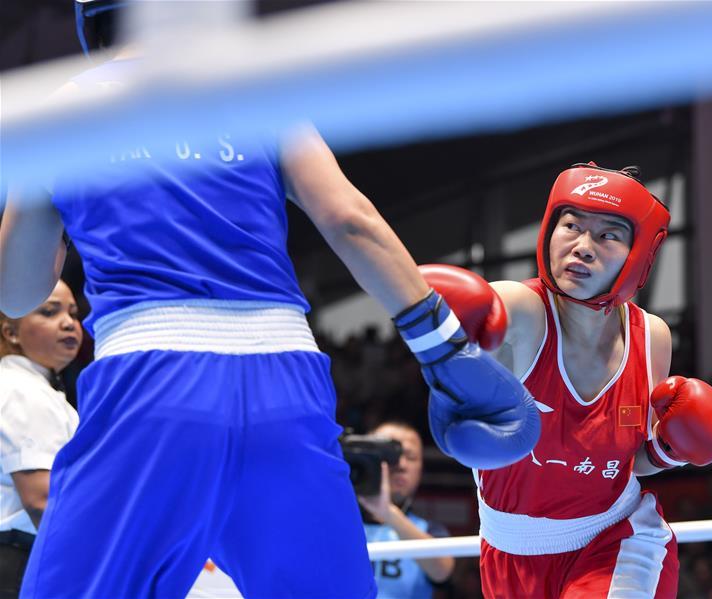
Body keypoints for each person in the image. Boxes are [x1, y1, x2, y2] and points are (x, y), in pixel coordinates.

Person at [0, 17, 539, 597]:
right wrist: (443, 347)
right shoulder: (258, 93)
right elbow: (349, 219)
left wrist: (57, 224)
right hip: (287, 379)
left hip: (150, 381)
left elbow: (16, 293)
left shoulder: (61, 108)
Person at [421, 163, 712, 598]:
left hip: (616, 542)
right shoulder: (521, 308)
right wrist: (434, 323)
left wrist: (670, 453)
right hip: (505, 553)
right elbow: (459, 307)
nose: (583, 247)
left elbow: (627, 461)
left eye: (609, 235)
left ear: (640, 253)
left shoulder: (651, 337)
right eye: (571, 225)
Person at [0, 280, 82, 598]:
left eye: (73, 313)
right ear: (11, 332)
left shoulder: (30, 387)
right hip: (18, 565)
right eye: (49, 312)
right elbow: (42, 500)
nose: (67, 323)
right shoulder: (22, 389)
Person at [359, 421, 455, 598]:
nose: (401, 464)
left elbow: (443, 571)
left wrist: (388, 513)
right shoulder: (335, 523)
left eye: (410, 457)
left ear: (420, 470)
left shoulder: (428, 531)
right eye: (391, 453)